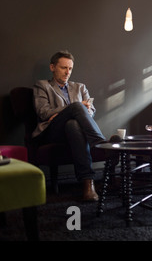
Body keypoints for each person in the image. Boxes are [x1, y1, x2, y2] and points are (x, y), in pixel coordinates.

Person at [32, 50, 106, 201]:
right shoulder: (43, 86)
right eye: (63, 68)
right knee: (77, 107)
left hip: (74, 130)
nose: (67, 72)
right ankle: (101, 144)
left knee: (73, 124)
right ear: (52, 67)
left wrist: (73, 112)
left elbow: (90, 111)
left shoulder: (80, 87)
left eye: (70, 68)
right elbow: (44, 113)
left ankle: (88, 185)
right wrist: (74, 108)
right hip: (52, 132)